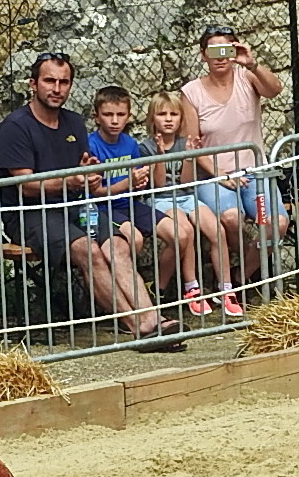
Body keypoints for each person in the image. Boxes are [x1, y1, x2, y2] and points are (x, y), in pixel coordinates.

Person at [0, 54, 181, 350]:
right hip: (31, 212)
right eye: (49, 81)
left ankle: (153, 319)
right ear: (33, 84)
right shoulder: (16, 126)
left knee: (119, 245)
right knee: (89, 251)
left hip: (77, 205)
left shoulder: (72, 122)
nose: (57, 88)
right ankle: (141, 328)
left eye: (63, 82)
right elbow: (27, 186)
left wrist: (91, 176)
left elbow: (84, 167)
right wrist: (69, 182)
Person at [182, 26, 286, 293]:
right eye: (212, 51)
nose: (220, 57)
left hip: (254, 172)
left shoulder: (246, 77)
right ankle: (246, 270)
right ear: (203, 55)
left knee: (277, 224)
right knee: (230, 218)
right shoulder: (191, 92)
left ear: (234, 50)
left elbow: (275, 90)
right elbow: (192, 145)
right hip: (214, 174)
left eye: (225, 50)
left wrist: (253, 64)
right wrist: (220, 175)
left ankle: (242, 276)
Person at [143, 90, 233, 317]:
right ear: (152, 118)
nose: (168, 119)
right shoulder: (146, 146)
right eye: (162, 114)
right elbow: (159, 184)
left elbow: (186, 181)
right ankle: (192, 288)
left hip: (186, 194)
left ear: (181, 119)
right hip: (161, 198)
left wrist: (190, 156)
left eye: (174, 114)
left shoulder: (185, 143)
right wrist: (161, 155)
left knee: (217, 231)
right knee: (187, 231)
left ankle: (226, 289)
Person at [84, 85, 157, 287]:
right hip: (103, 208)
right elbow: (95, 193)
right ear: (96, 117)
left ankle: (159, 288)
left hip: (129, 203)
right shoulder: (90, 146)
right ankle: (125, 288)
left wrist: (140, 181)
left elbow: (137, 184)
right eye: (108, 114)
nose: (115, 121)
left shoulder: (130, 144)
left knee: (180, 231)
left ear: (129, 116)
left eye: (120, 114)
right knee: (135, 238)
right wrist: (129, 183)